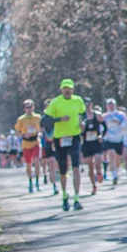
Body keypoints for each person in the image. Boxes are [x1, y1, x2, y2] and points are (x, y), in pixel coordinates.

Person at [45, 79, 89, 211]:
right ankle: (65, 196)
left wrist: (83, 123)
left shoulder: (78, 100)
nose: (67, 91)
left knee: (76, 168)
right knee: (63, 170)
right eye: (65, 88)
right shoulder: (56, 102)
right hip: (60, 138)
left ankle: (76, 198)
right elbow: (45, 120)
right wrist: (59, 119)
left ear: (72, 89)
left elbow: (84, 114)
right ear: (61, 90)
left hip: (74, 136)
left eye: (69, 88)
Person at [14, 100, 44, 193]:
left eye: (30, 107)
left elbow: (41, 129)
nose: (29, 109)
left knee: (37, 161)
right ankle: (30, 181)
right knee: (28, 163)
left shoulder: (38, 117)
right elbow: (17, 131)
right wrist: (23, 135)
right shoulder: (21, 119)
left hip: (35, 141)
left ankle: (37, 181)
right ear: (24, 109)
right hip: (26, 143)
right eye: (27, 107)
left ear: (33, 107)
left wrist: (39, 134)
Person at [102, 98, 127, 185]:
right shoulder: (104, 116)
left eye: (112, 105)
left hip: (119, 139)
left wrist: (119, 123)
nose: (111, 106)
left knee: (121, 157)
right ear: (106, 106)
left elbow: (126, 125)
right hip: (109, 139)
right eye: (109, 105)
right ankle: (114, 176)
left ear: (115, 105)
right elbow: (100, 127)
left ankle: (124, 172)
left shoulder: (121, 115)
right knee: (111, 155)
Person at [81, 106, 105, 194]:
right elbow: (79, 131)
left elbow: (104, 126)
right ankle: (94, 186)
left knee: (98, 162)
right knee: (90, 166)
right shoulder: (81, 117)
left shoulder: (97, 115)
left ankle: (99, 172)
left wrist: (101, 136)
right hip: (86, 144)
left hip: (96, 143)